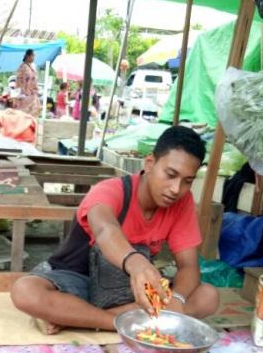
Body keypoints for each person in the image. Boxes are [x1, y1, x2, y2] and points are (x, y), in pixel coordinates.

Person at [11, 126, 219, 334]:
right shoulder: (110, 190)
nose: (176, 189)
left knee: (208, 296)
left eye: (187, 181)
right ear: (150, 163)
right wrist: (136, 263)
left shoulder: (182, 203)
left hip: (128, 292)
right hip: (79, 283)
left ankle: (80, 318)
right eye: (171, 174)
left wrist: (177, 299)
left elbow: (189, 266)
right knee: (26, 291)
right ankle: (124, 321)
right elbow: (105, 230)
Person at [14, 49, 40, 117]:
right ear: (28, 56)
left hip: (32, 95)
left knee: (33, 114)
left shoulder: (31, 67)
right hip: (24, 96)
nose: (34, 57)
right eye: (33, 55)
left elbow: (33, 80)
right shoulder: (22, 67)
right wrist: (22, 94)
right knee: (23, 116)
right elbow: (18, 82)